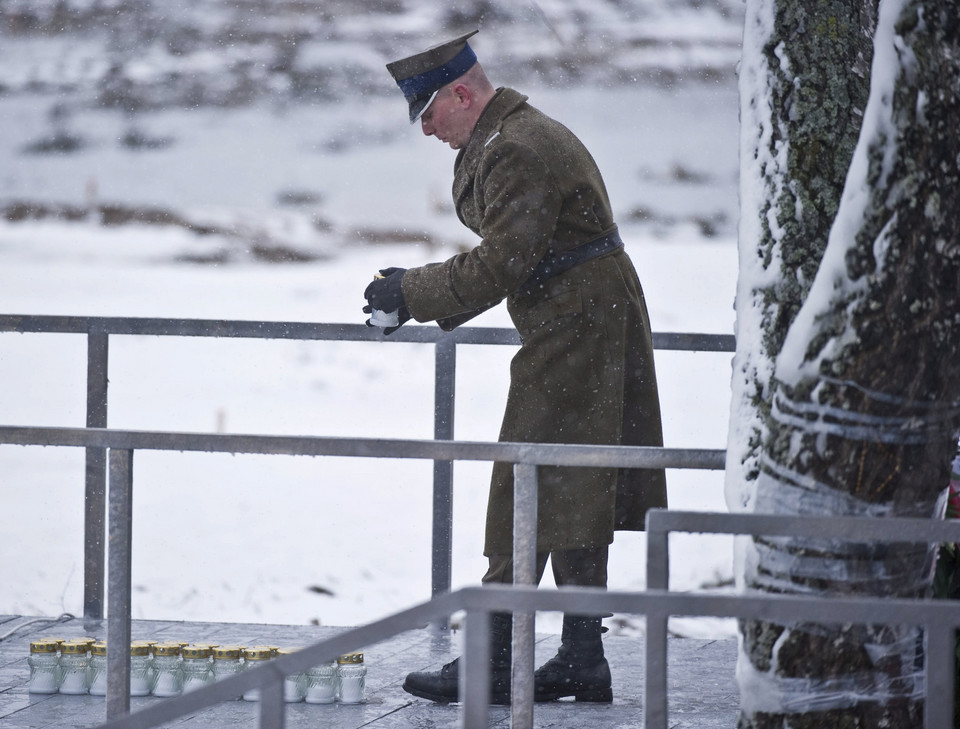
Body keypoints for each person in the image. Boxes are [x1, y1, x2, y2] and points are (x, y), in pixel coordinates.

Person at [364, 29, 668, 705]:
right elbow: (516, 259)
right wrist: (419, 292)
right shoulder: (511, 138)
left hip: (578, 329)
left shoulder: (518, 150)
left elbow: (503, 262)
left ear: (461, 94)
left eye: (428, 115)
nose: (426, 132)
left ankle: (495, 663)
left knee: (523, 482)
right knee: (572, 484)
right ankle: (581, 658)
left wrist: (410, 291)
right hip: (583, 322)